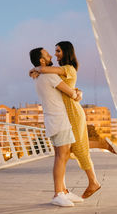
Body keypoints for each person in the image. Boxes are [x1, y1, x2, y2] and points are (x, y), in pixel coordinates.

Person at [30, 41, 105, 199]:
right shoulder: (52, 73)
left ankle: (91, 182)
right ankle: (63, 190)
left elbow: (48, 72)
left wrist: (37, 69)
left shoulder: (65, 69)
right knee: (69, 151)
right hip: (65, 114)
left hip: (72, 113)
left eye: (58, 51)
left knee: (78, 148)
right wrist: (77, 92)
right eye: (52, 52)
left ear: (66, 52)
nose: (54, 54)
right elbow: (62, 84)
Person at [29, 47, 84, 207]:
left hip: (52, 120)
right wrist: (79, 93)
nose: (51, 55)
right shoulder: (50, 76)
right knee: (62, 156)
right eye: (47, 54)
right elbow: (71, 93)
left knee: (63, 156)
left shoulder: (39, 77)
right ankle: (58, 194)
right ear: (42, 61)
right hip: (59, 120)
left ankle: (64, 191)